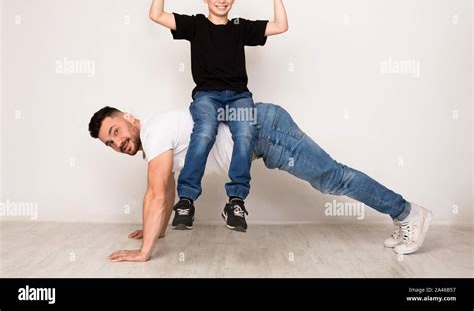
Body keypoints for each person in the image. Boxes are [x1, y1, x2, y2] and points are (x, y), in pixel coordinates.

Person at [88, 102, 433, 262]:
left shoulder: (154, 130)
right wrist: (157, 232)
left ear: (129, 118)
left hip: (264, 130)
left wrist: (144, 251)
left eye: (116, 131)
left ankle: (408, 213)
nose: (118, 143)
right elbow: (166, 190)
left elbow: (155, 193)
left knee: (332, 178)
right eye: (110, 143)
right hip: (261, 134)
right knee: (331, 179)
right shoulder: (154, 143)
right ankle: (403, 215)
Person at [148, 0, 289, 232]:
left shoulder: (239, 27)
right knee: (204, 131)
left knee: (247, 133)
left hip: (238, 97)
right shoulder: (195, 25)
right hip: (207, 96)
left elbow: (281, 25)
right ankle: (186, 200)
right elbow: (155, 14)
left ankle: (235, 200)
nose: (221, 0)